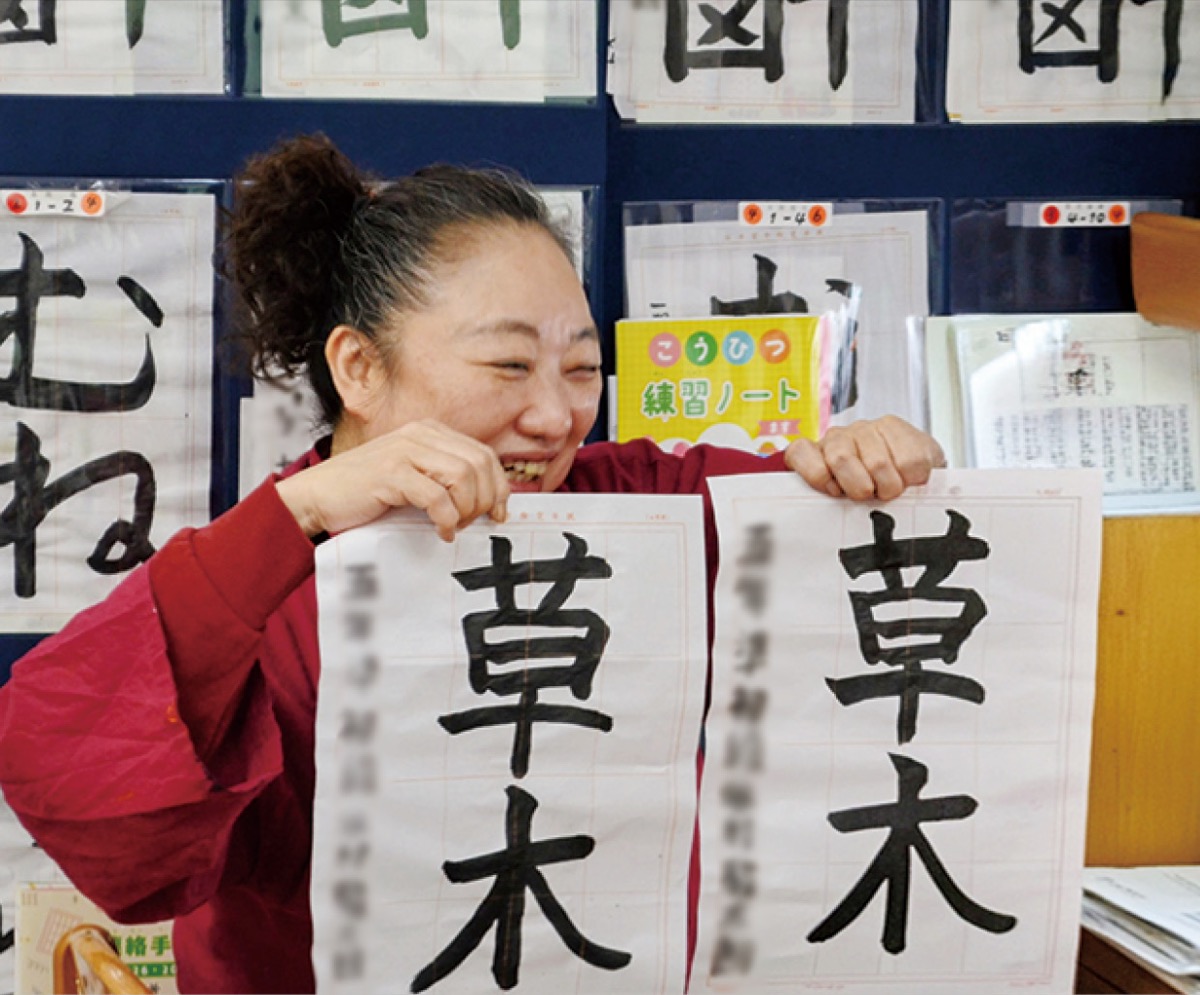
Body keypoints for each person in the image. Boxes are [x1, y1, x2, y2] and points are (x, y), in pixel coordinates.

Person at [0, 134, 944, 994]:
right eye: (506, 366)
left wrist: (855, 464)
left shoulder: (635, 506)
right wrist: (300, 515)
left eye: (580, 370)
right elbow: (74, 779)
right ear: (359, 368)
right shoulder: (268, 569)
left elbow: (825, 531)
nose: (553, 416)